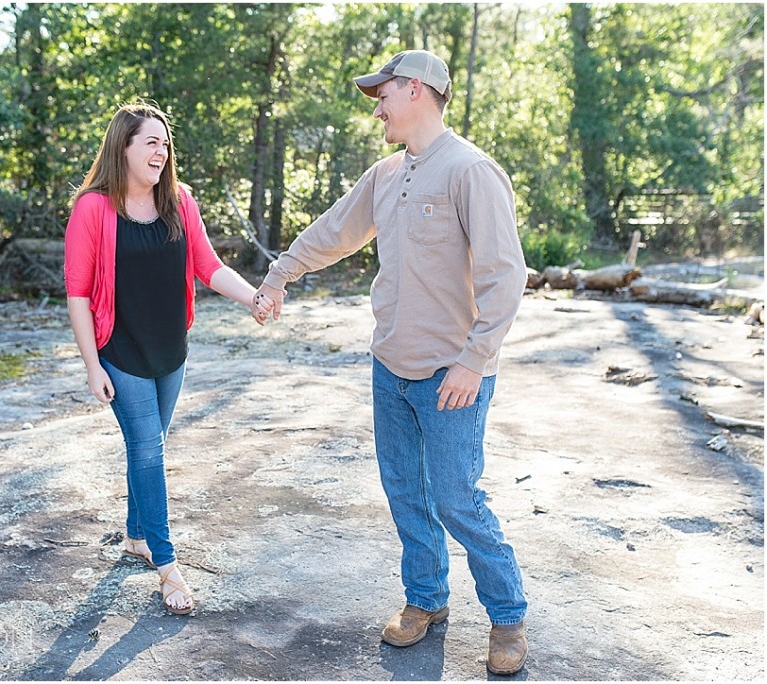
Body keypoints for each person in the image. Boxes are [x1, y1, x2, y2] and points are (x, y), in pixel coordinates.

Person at [254, 51, 529, 674]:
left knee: (458, 498)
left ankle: (507, 615)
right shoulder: (385, 174)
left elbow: (504, 277)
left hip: (451, 375)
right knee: (406, 492)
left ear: (416, 90)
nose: (376, 108)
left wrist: (474, 359)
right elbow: (334, 231)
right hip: (390, 368)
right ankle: (425, 601)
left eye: (383, 96)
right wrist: (279, 275)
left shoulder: (472, 171)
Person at [64, 102, 273, 615]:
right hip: (121, 349)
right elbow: (77, 292)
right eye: (149, 142)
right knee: (149, 449)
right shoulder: (94, 208)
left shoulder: (180, 200)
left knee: (148, 446)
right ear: (124, 148)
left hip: (170, 349)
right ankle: (167, 565)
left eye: (164, 143)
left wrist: (252, 298)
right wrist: (92, 365)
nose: (160, 152)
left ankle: (137, 535)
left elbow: (208, 264)